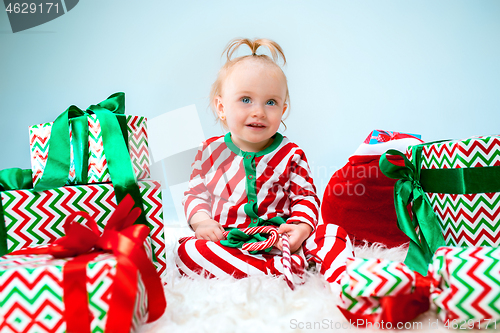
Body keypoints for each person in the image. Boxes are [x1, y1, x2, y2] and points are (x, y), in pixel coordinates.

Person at [175, 38, 353, 286]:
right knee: (187, 252)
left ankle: (346, 283)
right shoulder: (210, 151)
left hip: (282, 241)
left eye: (271, 102)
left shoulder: (291, 153)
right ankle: (274, 272)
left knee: (333, 234)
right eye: (245, 99)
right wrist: (202, 222)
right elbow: (195, 193)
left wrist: (300, 227)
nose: (259, 111)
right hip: (230, 241)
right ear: (221, 107)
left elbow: (306, 197)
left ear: (283, 109)